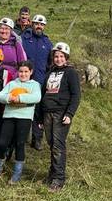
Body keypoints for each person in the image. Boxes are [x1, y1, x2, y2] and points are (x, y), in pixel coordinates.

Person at [35, 42, 81, 191]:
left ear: (66, 58)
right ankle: (52, 174)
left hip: (61, 114)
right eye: (56, 56)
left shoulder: (71, 73)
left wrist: (70, 113)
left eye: (61, 56)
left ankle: (58, 179)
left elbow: (76, 95)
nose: (58, 59)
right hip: (47, 113)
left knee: (58, 146)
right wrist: (40, 117)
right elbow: (43, 94)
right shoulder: (49, 73)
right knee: (51, 144)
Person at [0, 60, 42, 183]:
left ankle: (17, 173)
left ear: (31, 72)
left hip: (24, 118)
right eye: (21, 71)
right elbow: (0, 96)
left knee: (20, 144)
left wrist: (19, 98)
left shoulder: (35, 85)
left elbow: (36, 97)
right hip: (9, 116)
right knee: (2, 143)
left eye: (26, 71)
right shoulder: (12, 84)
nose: (23, 74)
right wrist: (9, 98)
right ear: (17, 72)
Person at [21, 14, 53, 150]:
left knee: (38, 111)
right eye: (36, 24)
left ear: (44, 26)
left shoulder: (47, 42)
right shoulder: (23, 39)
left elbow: (51, 63)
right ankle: (21, 138)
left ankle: (37, 139)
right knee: (22, 108)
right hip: (24, 80)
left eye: (42, 24)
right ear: (32, 24)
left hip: (40, 81)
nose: (39, 26)